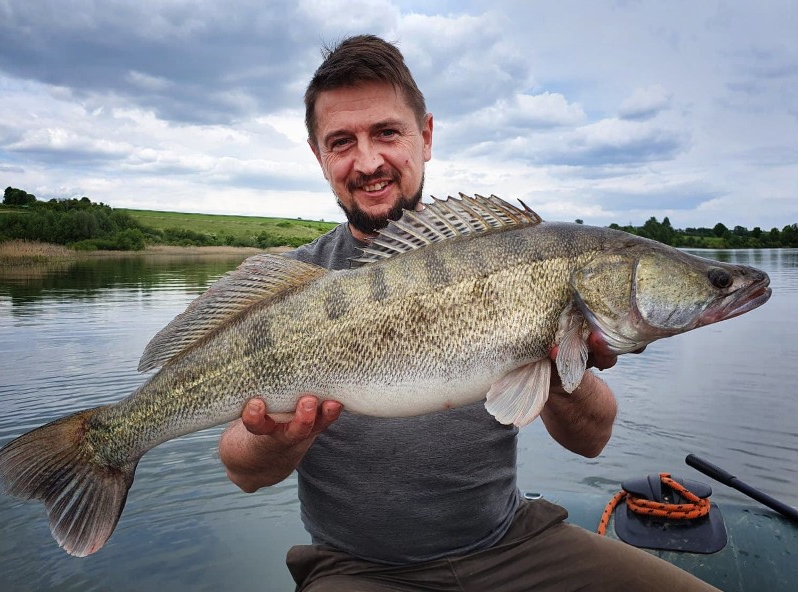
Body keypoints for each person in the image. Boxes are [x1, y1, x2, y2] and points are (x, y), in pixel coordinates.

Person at [218, 35, 719, 591]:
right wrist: (277, 440)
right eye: (341, 141)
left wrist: (560, 373)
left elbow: (591, 441)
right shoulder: (288, 292)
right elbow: (241, 470)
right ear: (319, 155)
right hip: (357, 568)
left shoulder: (527, 254)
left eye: (387, 132)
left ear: (425, 136)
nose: (368, 161)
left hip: (511, 544)